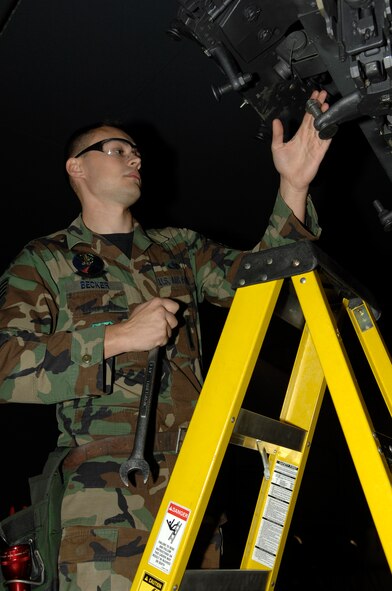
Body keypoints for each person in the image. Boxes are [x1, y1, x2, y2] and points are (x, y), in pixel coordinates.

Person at [0, 89, 332, 590]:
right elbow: (5, 368)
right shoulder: (46, 260)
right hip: (106, 495)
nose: (134, 156)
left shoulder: (178, 248)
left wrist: (293, 187)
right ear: (77, 168)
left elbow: (265, 280)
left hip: (194, 485)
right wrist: (113, 337)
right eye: (116, 149)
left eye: (136, 151)